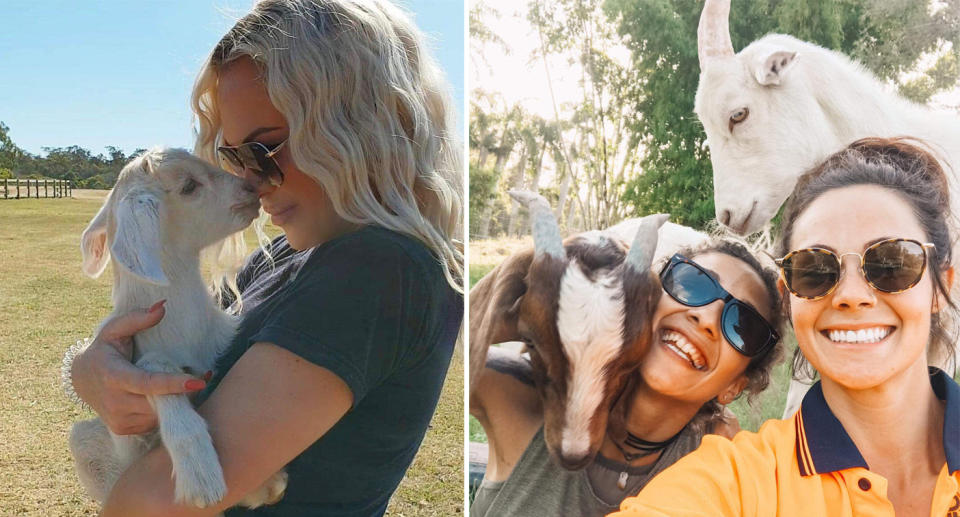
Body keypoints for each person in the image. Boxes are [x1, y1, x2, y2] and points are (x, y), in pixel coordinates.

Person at [66, 1, 463, 515]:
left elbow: (145, 504)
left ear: (361, 124)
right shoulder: (285, 255)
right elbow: (169, 346)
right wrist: (86, 370)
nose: (249, 180)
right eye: (234, 156)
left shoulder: (384, 271)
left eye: (264, 150)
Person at [611, 137, 960, 517]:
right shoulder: (738, 482)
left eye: (892, 262)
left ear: (941, 286)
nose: (851, 295)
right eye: (815, 269)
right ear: (789, 297)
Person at [469, 237, 784, 517]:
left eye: (743, 326)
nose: (706, 318)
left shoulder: (718, 456)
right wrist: (529, 306)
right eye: (693, 284)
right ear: (645, 300)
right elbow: (442, 355)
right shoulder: (518, 396)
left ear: (733, 387)